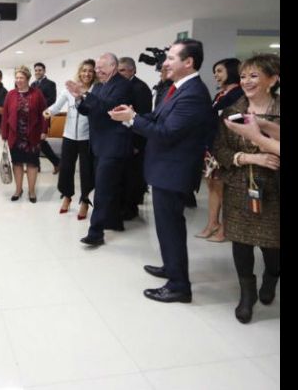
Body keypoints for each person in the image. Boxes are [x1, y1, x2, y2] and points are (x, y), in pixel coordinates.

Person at [108, 39, 213, 303]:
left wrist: (132, 120)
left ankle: (179, 286)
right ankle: (171, 267)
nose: (165, 63)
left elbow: (166, 133)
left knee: (171, 227)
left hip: (174, 172)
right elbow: (157, 118)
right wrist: (133, 114)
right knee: (167, 227)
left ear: (188, 62)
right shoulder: (176, 88)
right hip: (165, 169)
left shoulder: (193, 94)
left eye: (171, 58)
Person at [213, 54, 280, 323]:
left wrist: (261, 136)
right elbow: (220, 149)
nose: (246, 81)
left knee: (273, 246)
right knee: (240, 243)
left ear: (272, 80)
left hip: (274, 189)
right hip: (240, 185)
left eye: (254, 76)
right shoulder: (232, 110)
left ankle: (271, 277)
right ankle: (247, 293)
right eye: (243, 76)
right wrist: (249, 158)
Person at [66, 53, 133, 244]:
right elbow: (89, 109)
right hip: (98, 144)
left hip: (113, 145)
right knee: (108, 186)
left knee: (103, 189)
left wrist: (86, 94)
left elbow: (108, 108)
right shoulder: (99, 86)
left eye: (101, 67)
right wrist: (79, 99)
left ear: (113, 67)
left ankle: (96, 233)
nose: (97, 71)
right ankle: (114, 222)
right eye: (96, 67)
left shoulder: (122, 85)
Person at [197, 58, 244, 242]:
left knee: (223, 188)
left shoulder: (239, 94)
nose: (216, 75)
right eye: (215, 71)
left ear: (231, 72)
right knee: (212, 185)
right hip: (212, 146)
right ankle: (212, 223)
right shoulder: (220, 95)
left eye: (219, 71)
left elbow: (237, 123)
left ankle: (225, 228)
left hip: (226, 147)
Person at [44, 59, 96, 220]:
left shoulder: (96, 90)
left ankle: (85, 201)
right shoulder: (69, 89)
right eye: (84, 70)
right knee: (66, 168)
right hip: (69, 136)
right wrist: (46, 112)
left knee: (86, 171)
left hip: (87, 137)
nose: (87, 73)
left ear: (94, 73)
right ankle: (67, 196)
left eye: (90, 71)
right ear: (79, 72)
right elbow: (56, 106)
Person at [1, 65, 48, 203]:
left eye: (21, 77)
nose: (18, 80)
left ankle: (32, 191)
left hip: (32, 136)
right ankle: (18, 189)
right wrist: (4, 134)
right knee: (17, 164)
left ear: (27, 78)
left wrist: (44, 130)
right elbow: (5, 115)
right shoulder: (10, 94)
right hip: (15, 136)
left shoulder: (37, 93)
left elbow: (45, 113)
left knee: (32, 164)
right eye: (17, 78)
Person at [117, 57, 153, 221]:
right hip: (124, 139)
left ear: (132, 70)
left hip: (135, 140)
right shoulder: (124, 86)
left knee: (133, 176)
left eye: (123, 70)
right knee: (125, 176)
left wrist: (137, 144)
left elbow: (143, 117)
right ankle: (124, 206)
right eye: (118, 70)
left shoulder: (140, 88)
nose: (119, 73)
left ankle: (131, 209)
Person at [31, 62, 61, 173]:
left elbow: (52, 100)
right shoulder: (33, 84)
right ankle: (37, 165)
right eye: (36, 70)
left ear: (44, 71)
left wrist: (38, 104)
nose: (37, 72)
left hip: (43, 116)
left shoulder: (50, 84)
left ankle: (56, 162)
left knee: (40, 141)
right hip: (33, 117)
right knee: (35, 141)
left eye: (40, 70)